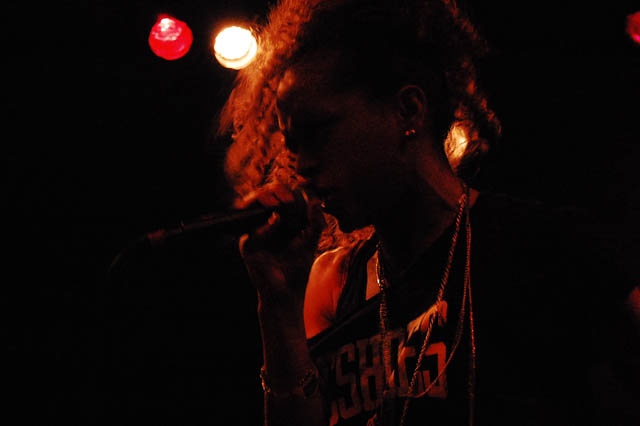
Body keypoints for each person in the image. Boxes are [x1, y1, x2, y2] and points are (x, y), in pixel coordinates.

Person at [217, 0, 640, 425]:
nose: (302, 165)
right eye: (293, 145)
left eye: (318, 132)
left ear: (409, 110)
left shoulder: (546, 247)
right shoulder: (333, 284)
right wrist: (278, 305)